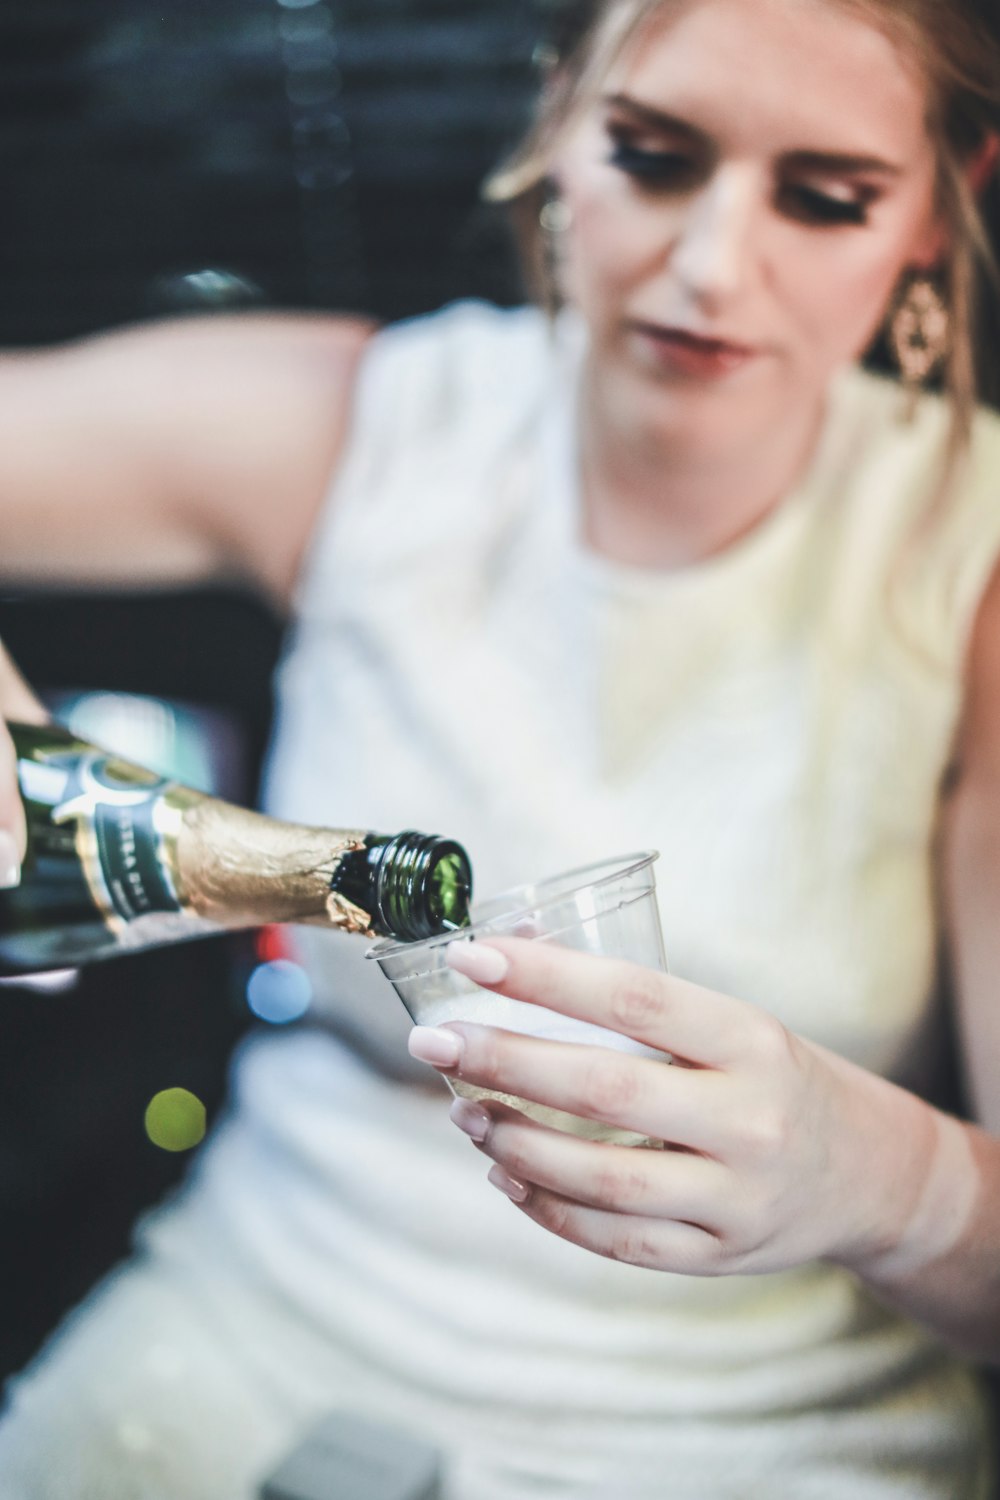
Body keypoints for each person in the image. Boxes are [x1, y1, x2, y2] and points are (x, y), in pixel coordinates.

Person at [0, 0, 999, 1494]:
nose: (713, 264)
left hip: (771, 1433)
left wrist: (893, 1182)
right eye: (655, 158)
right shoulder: (378, 427)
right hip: (253, 1326)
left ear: (944, 203)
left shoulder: (966, 556)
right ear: (556, 128)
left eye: (825, 197)